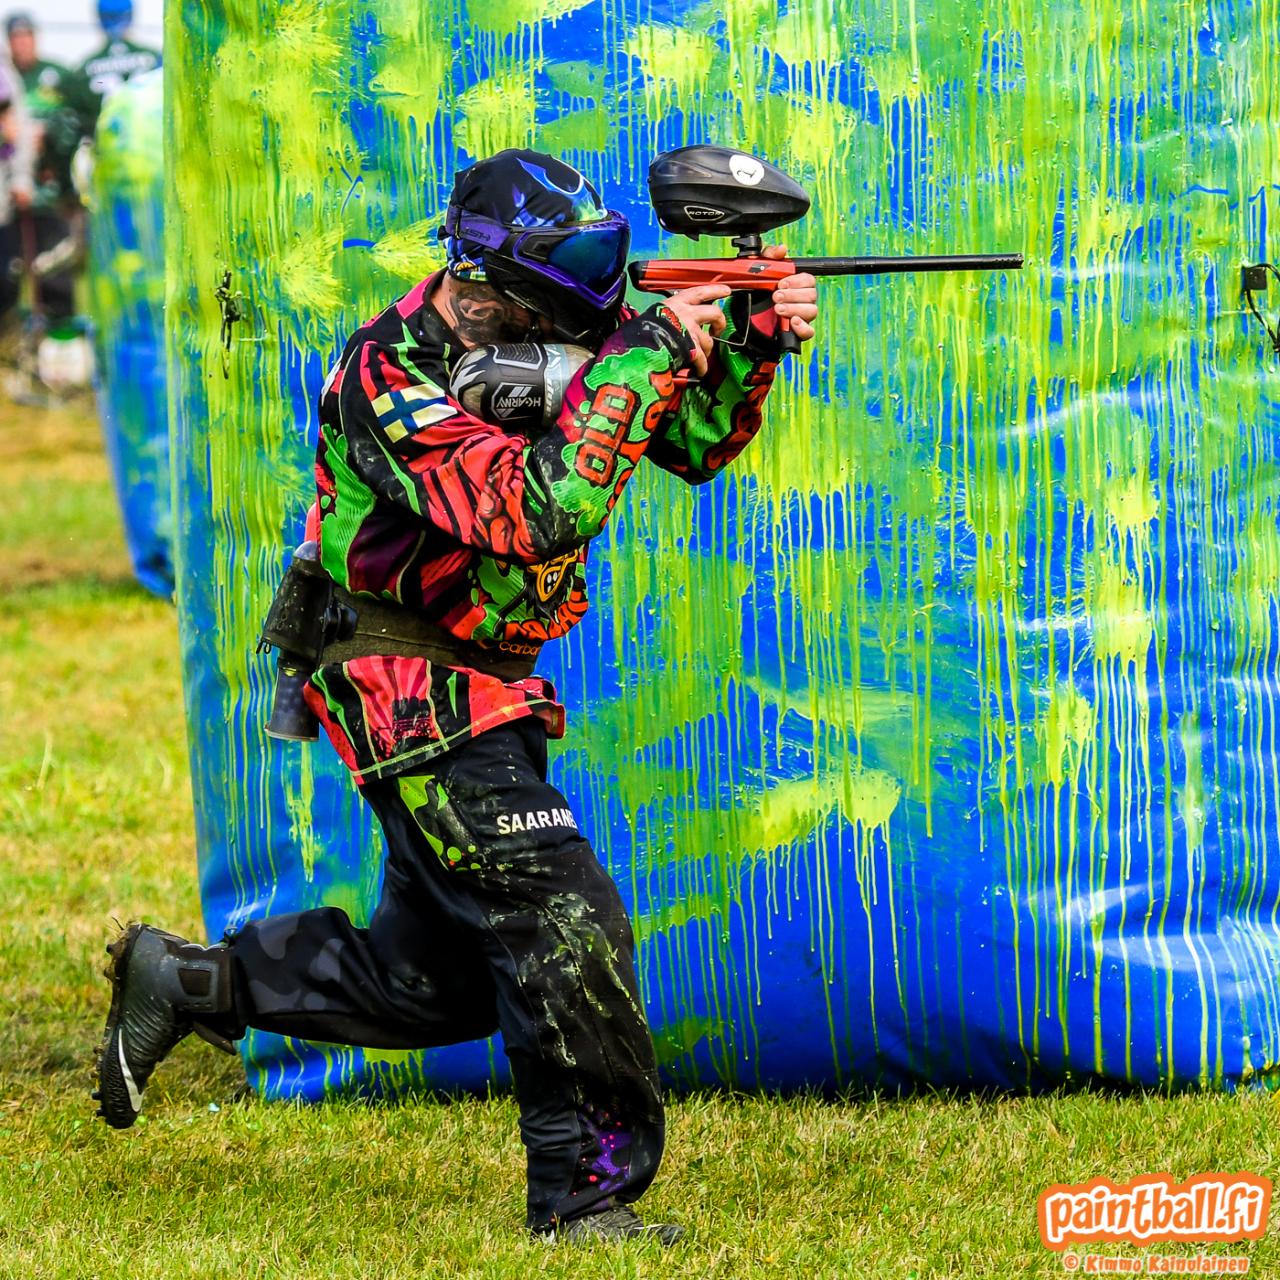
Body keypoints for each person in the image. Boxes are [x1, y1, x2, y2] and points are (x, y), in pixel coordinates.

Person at [93, 149, 818, 1243]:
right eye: (566, 278)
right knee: (559, 910)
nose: (593, 304)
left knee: (440, 981)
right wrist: (649, 351)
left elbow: (690, 441)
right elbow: (535, 512)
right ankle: (586, 1199)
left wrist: (750, 343)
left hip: (487, 684)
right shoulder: (387, 375)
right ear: (487, 279)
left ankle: (193, 982)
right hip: (402, 680)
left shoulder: (558, 335)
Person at [6, 13, 79, 320]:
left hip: (49, 194)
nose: (22, 44)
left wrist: (49, 144)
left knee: (54, 271)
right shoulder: (7, 78)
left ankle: (59, 332)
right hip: (11, 198)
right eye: (16, 38)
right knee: (9, 273)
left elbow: (74, 125)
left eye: (27, 37)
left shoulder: (57, 74)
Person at [65, 1, 160, 142]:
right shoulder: (155, 58)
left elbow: (77, 121)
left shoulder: (83, 69)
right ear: (130, 16)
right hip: (151, 143)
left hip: (107, 145)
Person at [0, 48, 34, 320]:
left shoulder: (4, 74)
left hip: (3, 201)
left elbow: (18, 131)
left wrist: (22, 178)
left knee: (7, 280)